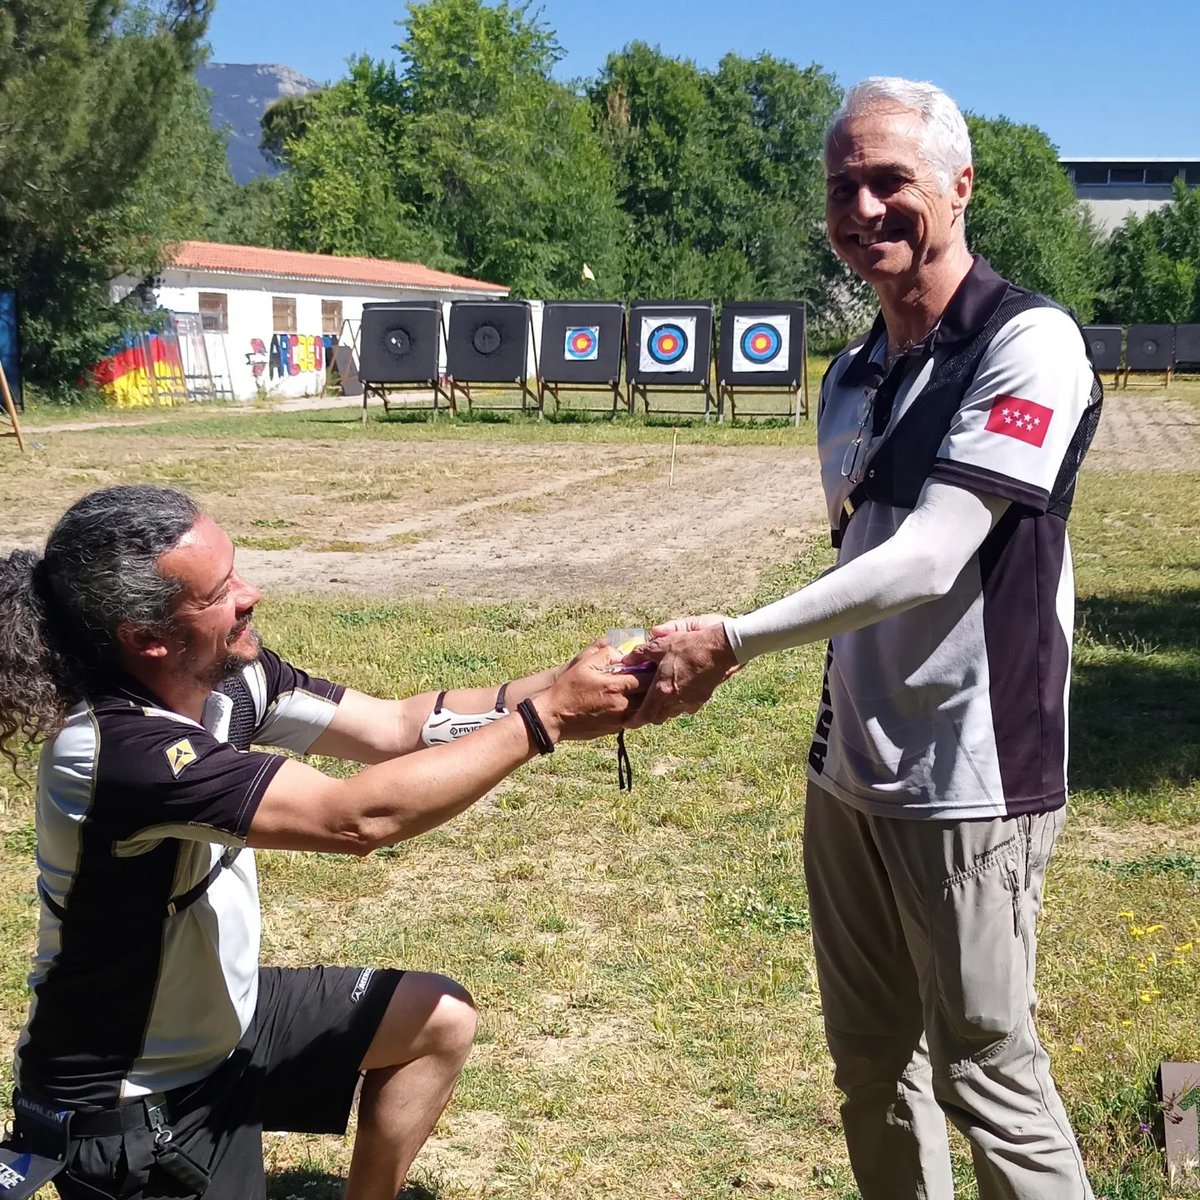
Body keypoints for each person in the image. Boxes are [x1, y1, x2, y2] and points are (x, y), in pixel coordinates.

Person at [626, 77, 1102, 1199]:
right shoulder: (848, 374)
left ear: (960, 185)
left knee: (990, 1076)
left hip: (971, 775)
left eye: (892, 180)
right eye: (844, 185)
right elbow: (864, 568)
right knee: (871, 1066)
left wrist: (731, 640)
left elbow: (934, 556)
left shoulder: (1028, 341)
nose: (864, 206)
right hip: (849, 774)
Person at [0, 483, 644, 1200]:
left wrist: (582, 680)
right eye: (221, 590)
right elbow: (354, 819)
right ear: (149, 636)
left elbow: (396, 728)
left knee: (436, 1019)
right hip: (133, 1101)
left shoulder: (228, 679)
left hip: (228, 1024)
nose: (252, 592)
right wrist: (545, 720)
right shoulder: (115, 750)